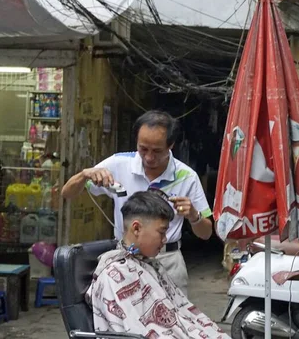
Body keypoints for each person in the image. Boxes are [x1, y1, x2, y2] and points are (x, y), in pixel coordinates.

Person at [62, 110, 213, 295]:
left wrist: (194, 215)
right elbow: (67, 193)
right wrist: (84, 174)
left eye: (157, 151)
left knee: (172, 320)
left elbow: (206, 233)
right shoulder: (118, 163)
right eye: (143, 149)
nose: (149, 157)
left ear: (171, 145)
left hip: (168, 260)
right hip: (125, 259)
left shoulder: (187, 176)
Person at [85, 190, 229, 339]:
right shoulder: (114, 274)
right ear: (136, 228)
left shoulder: (150, 264)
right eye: (162, 232)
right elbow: (133, 331)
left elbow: (181, 314)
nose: (165, 239)